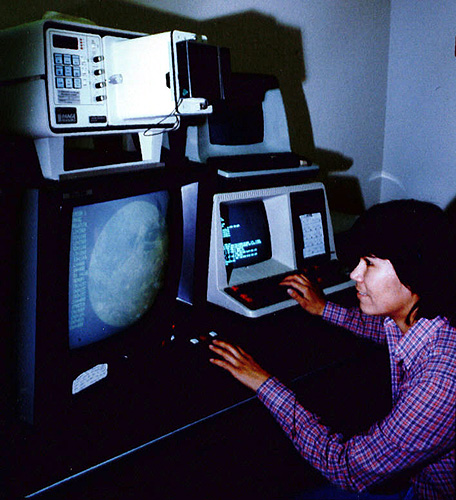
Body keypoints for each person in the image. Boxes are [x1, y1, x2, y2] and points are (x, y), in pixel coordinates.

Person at [209, 199, 456, 500]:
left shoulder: (441, 384)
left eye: (369, 264)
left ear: (414, 270)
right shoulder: (427, 321)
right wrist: (324, 308)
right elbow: (384, 331)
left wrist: (262, 382)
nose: (355, 274)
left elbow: (345, 467)